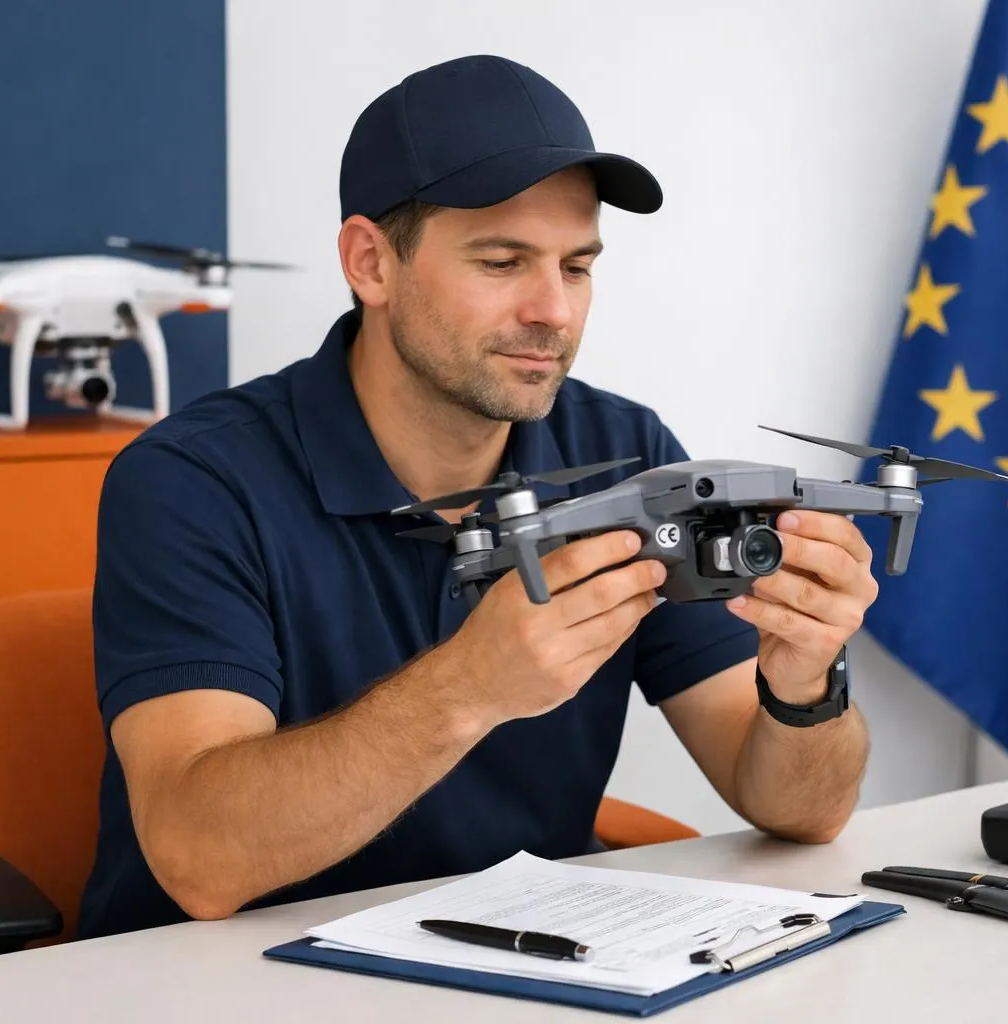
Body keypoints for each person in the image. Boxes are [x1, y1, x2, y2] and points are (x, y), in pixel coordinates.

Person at [76, 54, 874, 940]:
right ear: (371, 263)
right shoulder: (193, 481)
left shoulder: (626, 455)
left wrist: (804, 688)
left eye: (577, 267)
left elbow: (800, 811)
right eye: (503, 262)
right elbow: (199, 860)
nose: (555, 312)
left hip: (532, 967)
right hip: (219, 983)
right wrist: (469, 688)